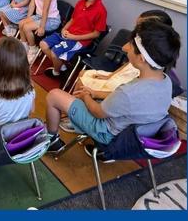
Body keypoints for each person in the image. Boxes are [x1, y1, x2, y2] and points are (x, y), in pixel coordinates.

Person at [45, 19, 181, 154]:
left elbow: (98, 112)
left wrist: (86, 96)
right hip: (136, 137)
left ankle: (52, 140)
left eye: (131, 45)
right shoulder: (166, 81)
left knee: (54, 96)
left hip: (108, 135)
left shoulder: (128, 93)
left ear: (142, 59)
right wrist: (95, 94)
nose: (124, 48)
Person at [38, 0, 107, 79]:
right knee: (43, 44)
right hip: (68, 34)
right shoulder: (80, 3)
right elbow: (73, 19)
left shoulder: (101, 10)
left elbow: (96, 34)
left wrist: (74, 37)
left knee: (54, 52)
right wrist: (64, 29)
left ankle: (56, 72)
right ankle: (62, 67)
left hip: (79, 41)